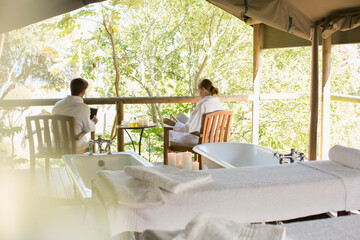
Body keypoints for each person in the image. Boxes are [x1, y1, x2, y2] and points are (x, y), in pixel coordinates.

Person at [163, 79, 224, 145]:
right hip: (212, 139)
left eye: (199, 91)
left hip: (200, 139)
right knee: (178, 130)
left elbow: (190, 128)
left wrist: (173, 123)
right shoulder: (219, 104)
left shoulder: (203, 105)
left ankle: (173, 153)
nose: (199, 93)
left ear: (204, 90)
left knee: (171, 132)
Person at [52, 78, 98, 152]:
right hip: (73, 146)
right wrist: (93, 122)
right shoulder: (83, 108)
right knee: (92, 142)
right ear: (83, 91)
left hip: (56, 145)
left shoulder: (57, 105)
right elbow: (87, 129)